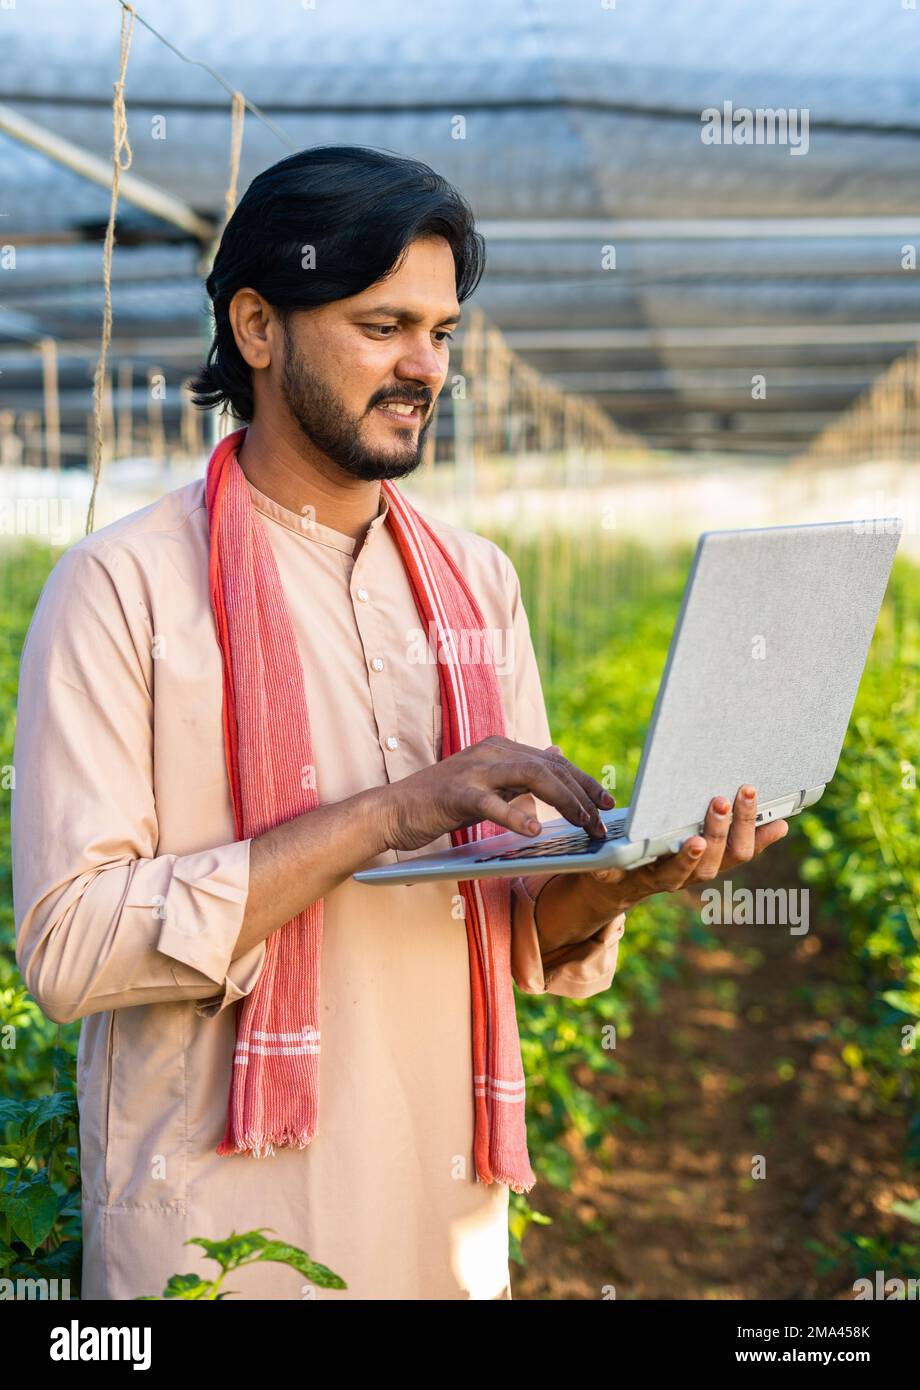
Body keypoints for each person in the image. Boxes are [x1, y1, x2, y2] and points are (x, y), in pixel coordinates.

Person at [11, 146, 788, 1301]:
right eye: (384, 326)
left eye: (441, 333)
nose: (424, 367)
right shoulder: (122, 587)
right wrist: (384, 814)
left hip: (444, 1215)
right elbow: (70, 949)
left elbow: (519, 922)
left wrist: (626, 874)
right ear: (259, 327)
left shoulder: (475, 584)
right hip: (222, 1233)